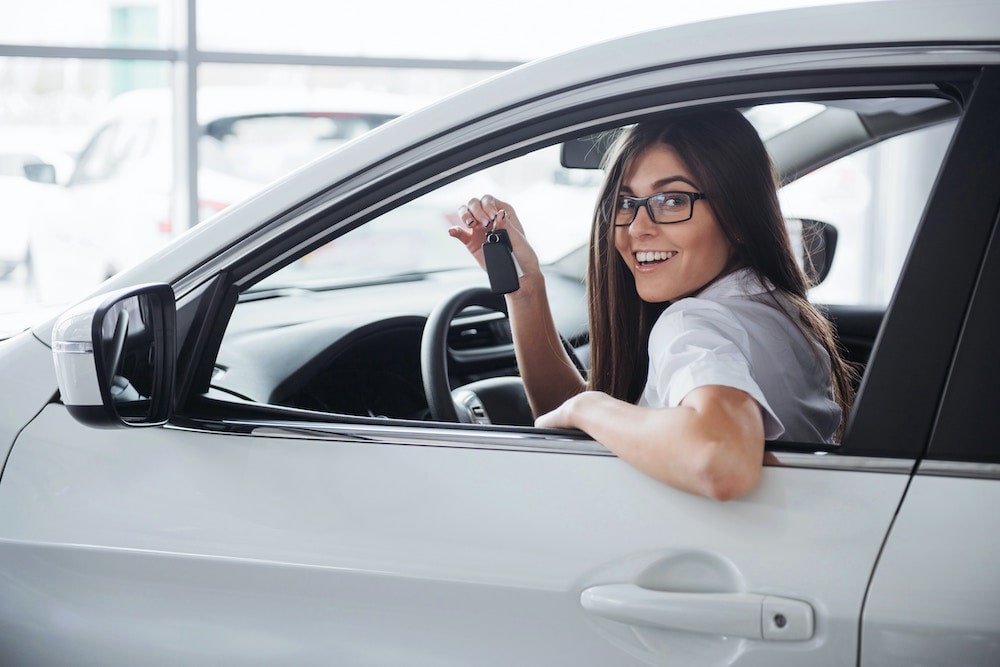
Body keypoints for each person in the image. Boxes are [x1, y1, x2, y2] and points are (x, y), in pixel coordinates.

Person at [448, 109, 856, 501]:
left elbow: (723, 459)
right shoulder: (780, 309)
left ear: (737, 214)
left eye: (673, 201)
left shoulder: (692, 322)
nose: (638, 229)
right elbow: (577, 424)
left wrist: (591, 406)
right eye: (627, 203)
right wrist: (526, 291)